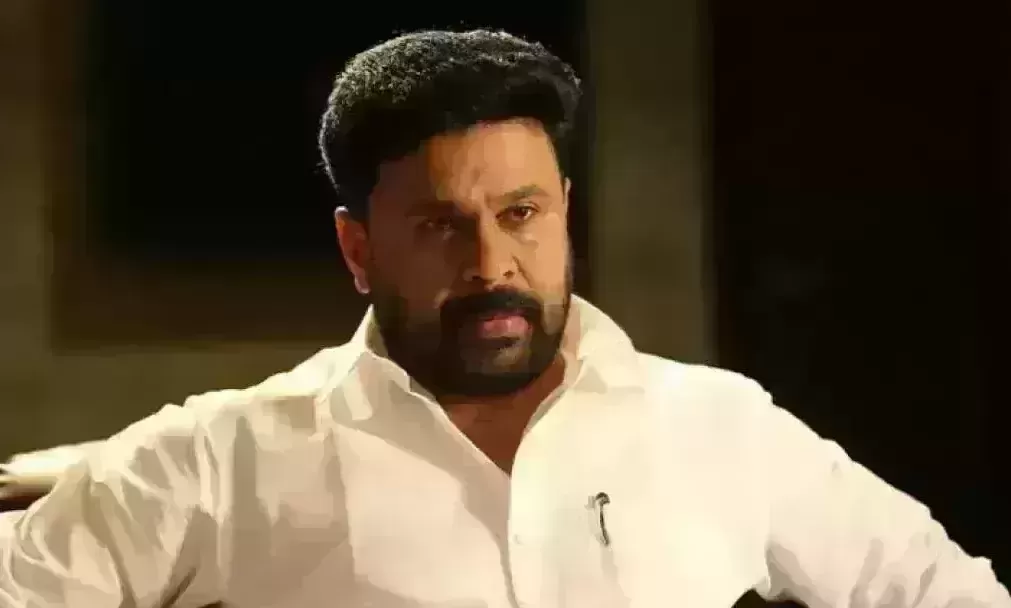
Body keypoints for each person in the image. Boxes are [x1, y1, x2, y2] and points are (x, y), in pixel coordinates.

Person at [0, 29, 1007, 608]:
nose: (491, 265)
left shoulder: (718, 426)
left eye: (520, 214)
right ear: (359, 250)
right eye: (440, 225)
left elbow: (948, 594)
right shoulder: (225, 459)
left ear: (564, 209)